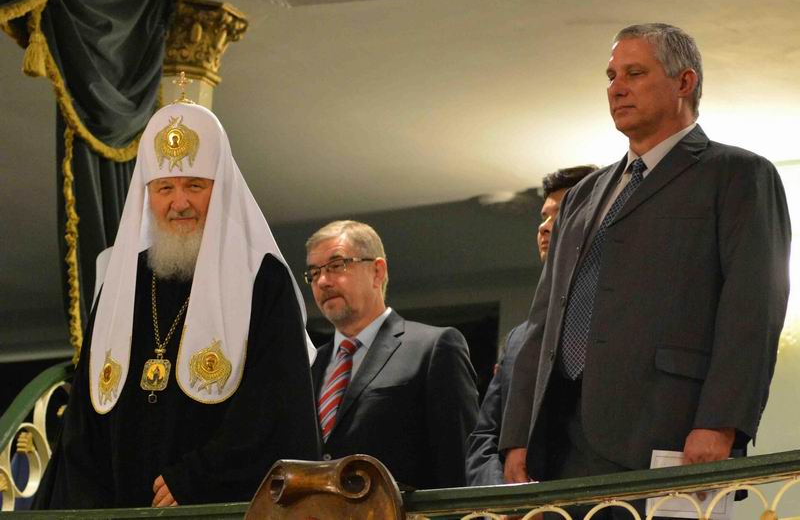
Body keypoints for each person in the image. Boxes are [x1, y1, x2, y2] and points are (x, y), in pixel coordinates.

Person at [499, 24, 791, 507]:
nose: (617, 87)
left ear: (684, 82)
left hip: (669, 431)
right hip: (561, 440)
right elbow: (545, 319)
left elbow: (752, 308)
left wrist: (720, 423)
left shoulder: (738, 174)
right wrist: (517, 435)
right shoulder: (585, 194)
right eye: (612, 75)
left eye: (635, 72)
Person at [35, 98, 321, 509]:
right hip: (124, 507)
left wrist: (197, 477)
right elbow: (86, 415)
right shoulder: (122, 279)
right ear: (147, 195)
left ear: (219, 190)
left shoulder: (261, 279)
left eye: (195, 186)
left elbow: (277, 409)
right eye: (165, 188)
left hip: (219, 509)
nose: (179, 202)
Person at [305, 220, 479, 489]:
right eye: (314, 273)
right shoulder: (308, 365)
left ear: (377, 271)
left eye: (336, 266)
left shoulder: (434, 348)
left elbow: (458, 466)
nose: (324, 281)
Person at [466, 165, 596, 486]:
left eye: (560, 215)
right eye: (544, 216)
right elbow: (485, 436)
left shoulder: (622, 325)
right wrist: (503, 493)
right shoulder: (518, 339)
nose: (545, 227)